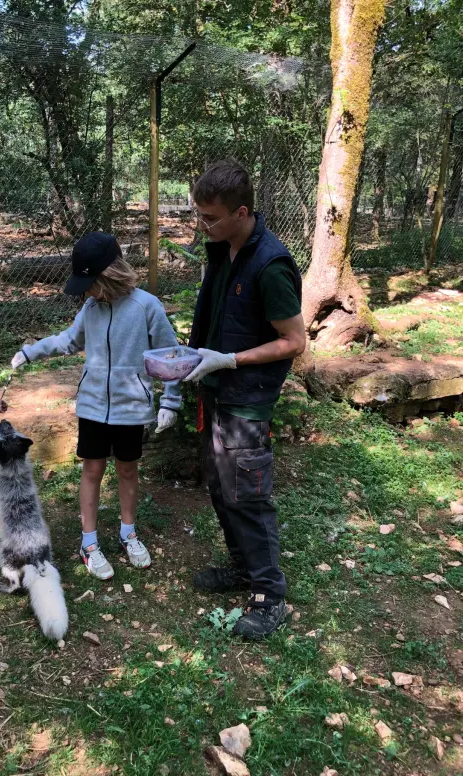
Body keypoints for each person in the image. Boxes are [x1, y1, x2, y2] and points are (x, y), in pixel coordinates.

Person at [11, 232, 182, 581]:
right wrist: (31, 351)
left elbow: (170, 357)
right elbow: (68, 341)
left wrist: (172, 401)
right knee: (92, 470)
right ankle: (88, 542)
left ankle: (128, 533)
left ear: (110, 274)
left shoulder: (147, 307)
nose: (87, 292)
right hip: (92, 408)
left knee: (127, 470)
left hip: (131, 409)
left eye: (91, 283)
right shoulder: (90, 307)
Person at [185, 160, 306, 639]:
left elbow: (294, 341)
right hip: (215, 390)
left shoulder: (271, 265)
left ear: (241, 211)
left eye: (210, 217)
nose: (202, 225)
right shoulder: (222, 248)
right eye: (198, 215)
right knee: (220, 487)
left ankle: (269, 594)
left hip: (246, 400)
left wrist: (229, 360)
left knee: (247, 495)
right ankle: (241, 568)